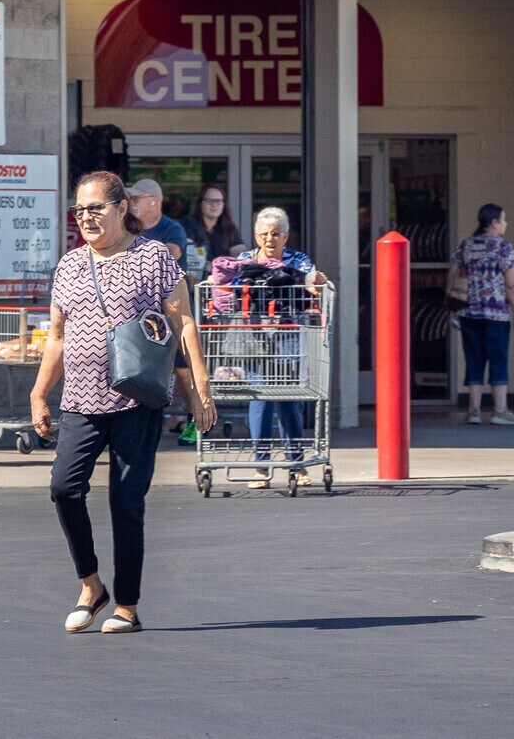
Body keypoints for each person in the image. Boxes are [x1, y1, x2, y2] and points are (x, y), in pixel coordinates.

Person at [31, 171, 216, 634]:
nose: (86, 217)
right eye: (79, 210)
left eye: (96, 208)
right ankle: (91, 585)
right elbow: (56, 337)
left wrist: (201, 388)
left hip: (137, 400)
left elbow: (184, 325)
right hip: (81, 400)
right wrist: (39, 393)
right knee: (63, 488)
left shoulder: (152, 258)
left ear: (121, 209)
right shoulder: (70, 265)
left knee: (126, 501)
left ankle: (127, 606)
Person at [218, 206, 329, 483]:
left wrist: (316, 282)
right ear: (256, 236)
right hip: (254, 338)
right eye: (265, 234)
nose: (270, 239)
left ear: (286, 236)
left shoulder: (298, 260)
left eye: (276, 234)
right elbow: (226, 285)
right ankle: (261, 465)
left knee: (289, 402)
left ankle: (297, 465)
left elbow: (311, 278)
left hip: (287, 338)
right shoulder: (244, 260)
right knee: (261, 401)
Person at [451, 203, 514, 425]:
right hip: (496, 313)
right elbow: (512, 284)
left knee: (473, 359)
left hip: (468, 312)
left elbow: (452, 277)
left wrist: (453, 308)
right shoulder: (504, 248)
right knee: (498, 358)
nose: (505, 224)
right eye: (503, 220)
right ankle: (500, 410)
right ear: (493, 223)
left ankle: (474, 410)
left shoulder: (465, 245)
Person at [182, 183, 243, 279]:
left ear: (224, 204)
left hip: (223, 281)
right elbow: (191, 255)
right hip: (196, 281)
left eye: (218, 201)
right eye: (209, 201)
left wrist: (224, 266)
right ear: (200, 203)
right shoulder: (189, 223)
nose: (214, 205)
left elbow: (240, 254)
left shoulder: (228, 227)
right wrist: (216, 267)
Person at [126, 178, 190, 266]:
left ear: (154, 202)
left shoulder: (173, 229)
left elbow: (168, 257)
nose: (131, 203)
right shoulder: (127, 227)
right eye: (129, 199)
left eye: (135, 199)